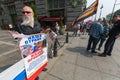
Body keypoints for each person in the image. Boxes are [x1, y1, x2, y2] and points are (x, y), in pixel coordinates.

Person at [14, 6, 49, 80]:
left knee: (39, 59)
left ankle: (40, 67)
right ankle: (34, 75)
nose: (25, 14)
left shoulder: (37, 23)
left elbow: (40, 33)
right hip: (28, 50)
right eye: (23, 12)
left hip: (39, 47)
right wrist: (16, 38)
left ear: (32, 14)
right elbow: (16, 39)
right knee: (30, 63)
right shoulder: (19, 25)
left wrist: (45, 32)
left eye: (28, 12)